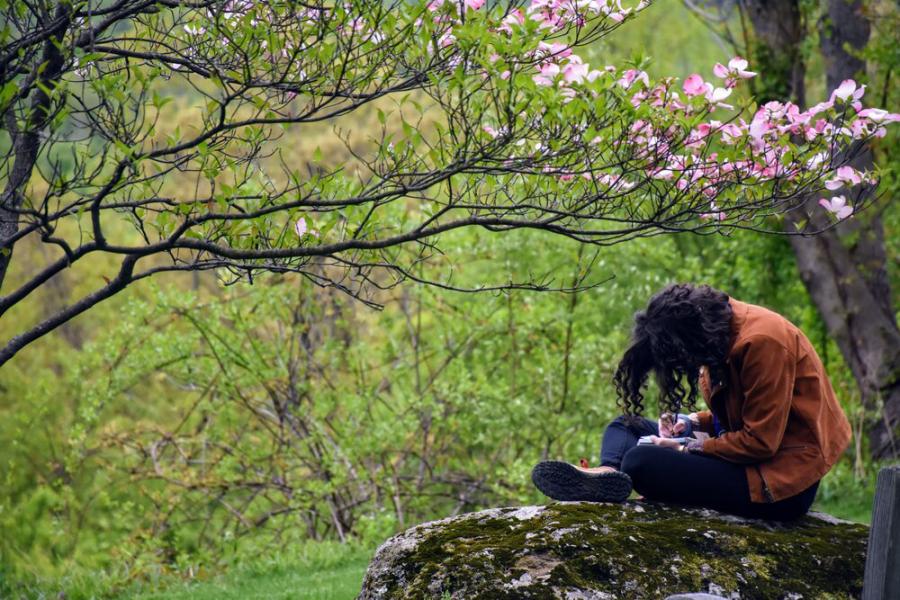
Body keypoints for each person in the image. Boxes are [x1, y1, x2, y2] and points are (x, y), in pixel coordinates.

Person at [531, 283, 852, 520]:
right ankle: (606, 475)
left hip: (777, 482)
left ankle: (622, 472)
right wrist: (690, 422)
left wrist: (687, 448)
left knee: (641, 462)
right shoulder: (720, 329)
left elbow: (761, 442)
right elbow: (742, 412)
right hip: (743, 455)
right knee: (625, 426)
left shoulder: (763, 342)